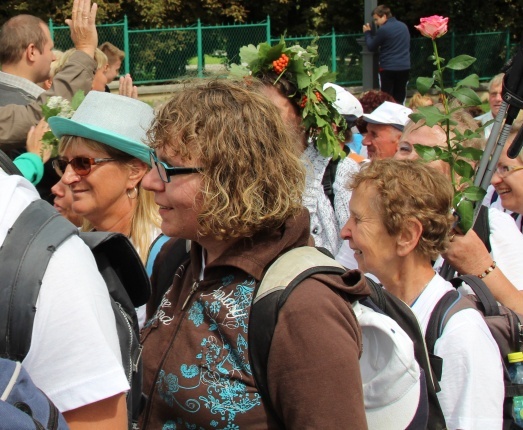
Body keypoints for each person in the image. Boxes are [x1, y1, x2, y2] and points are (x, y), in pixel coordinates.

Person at [139, 79, 369, 429]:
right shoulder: (179, 258)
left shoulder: (305, 307)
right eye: (154, 161)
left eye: (169, 167)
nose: (149, 182)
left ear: (231, 178)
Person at [341, 158, 504, 428]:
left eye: (358, 219)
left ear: (406, 235)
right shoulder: (369, 306)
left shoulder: (460, 332)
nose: (344, 231)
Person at [395, 109, 523, 314]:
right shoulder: (377, 222)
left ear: (462, 169)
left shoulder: (491, 227)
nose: (410, 159)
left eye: (427, 152)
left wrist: (481, 267)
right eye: (404, 148)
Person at [48, 91, 160, 264]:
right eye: (64, 165)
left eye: (83, 163)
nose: (67, 178)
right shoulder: (68, 249)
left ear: (135, 172)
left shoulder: (167, 256)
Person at [0, 0, 99, 152]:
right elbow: (43, 114)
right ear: (32, 52)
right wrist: (85, 49)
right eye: (50, 49)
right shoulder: (11, 101)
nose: (53, 57)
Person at [363, 5, 411, 104]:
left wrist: (367, 33)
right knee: (400, 96)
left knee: (386, 98)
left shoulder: (384, 29)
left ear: (384, 16)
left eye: (376, 19)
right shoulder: (403, 26)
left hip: (388, 67)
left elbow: (371, 46)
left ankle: (388, 118)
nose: (376, 23)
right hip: (404, 67)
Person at [475, 73, 504, 138]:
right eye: (493, 94)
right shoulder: (475, 125)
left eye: (503, 94)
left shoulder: (520, 126)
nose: (497, 99)